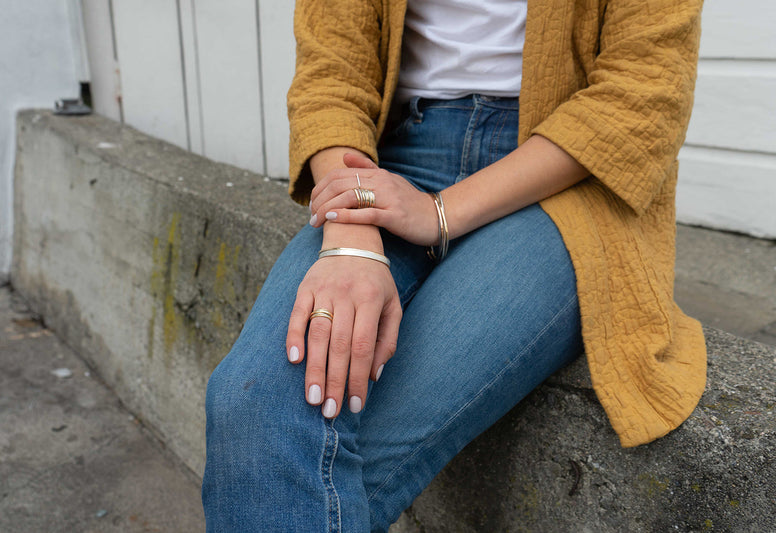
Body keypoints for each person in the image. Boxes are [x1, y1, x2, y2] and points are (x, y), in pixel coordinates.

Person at [202, 0, 707, 531]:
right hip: (394, 158)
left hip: (564, 179)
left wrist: (439, 213)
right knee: (253, 408)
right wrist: (351, 224)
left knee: (316, 461)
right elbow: (330, 74)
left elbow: (642, 96)